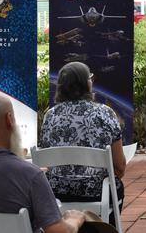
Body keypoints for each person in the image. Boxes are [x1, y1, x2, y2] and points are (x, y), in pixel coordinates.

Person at [0, 92, 85, 233]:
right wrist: (74, 219)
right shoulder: (30, 175)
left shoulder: (30, 174)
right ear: (9, 119)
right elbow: (59, 232)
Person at [40, 62, 126, 229]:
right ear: (87, 84)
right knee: (116, 186)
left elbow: (48, 163)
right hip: (97, 192)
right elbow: (120, 167)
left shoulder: (49, 116)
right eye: (90, 78)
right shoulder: (105, 113)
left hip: (57, 193)